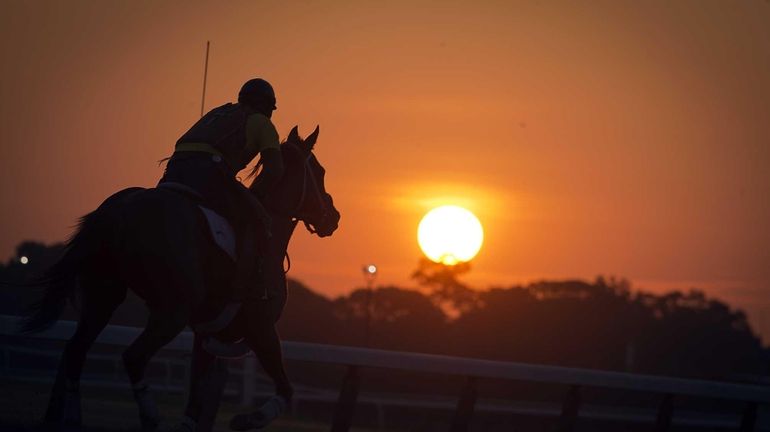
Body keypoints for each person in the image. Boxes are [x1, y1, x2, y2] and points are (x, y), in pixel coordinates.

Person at [159, 78, 284, 303]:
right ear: (267, 106)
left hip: (175, 168)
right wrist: (255, 197)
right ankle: (255, 287)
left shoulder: (219, 112)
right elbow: (275, 169)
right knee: (260, 221)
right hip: (209, 172)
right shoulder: (262, 123)